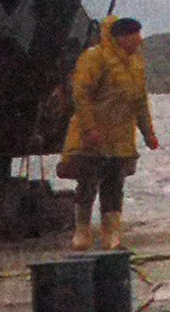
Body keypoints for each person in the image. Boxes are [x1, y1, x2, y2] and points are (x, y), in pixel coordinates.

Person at [58, 15, 158, 250]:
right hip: (92, 136)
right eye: (134, 34)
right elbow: (81, 94)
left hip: (120, 137)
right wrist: (90, 128)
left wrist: (148, 133)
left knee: (114, 185)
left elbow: (140, 101)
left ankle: (112, 235)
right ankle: (82, 231)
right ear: (120, 37)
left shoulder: (136, 63)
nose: (138, 39)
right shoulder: (95, 57)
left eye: (139, 34)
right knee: (87, 182)